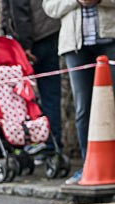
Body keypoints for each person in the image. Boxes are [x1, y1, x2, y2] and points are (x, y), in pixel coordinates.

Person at [43, 0, 115, 184]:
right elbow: (49, 6)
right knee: (84, 110)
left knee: (113, 106)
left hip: (111, 41)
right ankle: (88, 168)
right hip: (75, 47)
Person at [0, 0, 62, 159]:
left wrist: (24, 45)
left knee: (20, 97)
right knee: (51, 95)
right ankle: (53, 145)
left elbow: (20, 9)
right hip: (51, 31)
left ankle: (30, 142)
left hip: (34, 38)